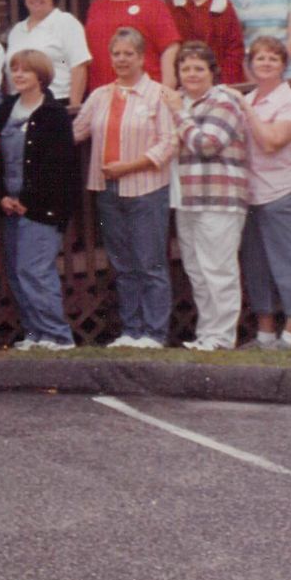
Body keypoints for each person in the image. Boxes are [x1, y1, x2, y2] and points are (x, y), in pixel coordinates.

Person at [73, 28, 178, 348]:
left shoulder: (158, 94)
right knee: (122, 265)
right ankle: (131, 331)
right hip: (108, 190)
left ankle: (154, 333)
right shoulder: (101, 95)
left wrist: (130, 166)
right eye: (116, 53)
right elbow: (76, 132)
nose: (121, 59)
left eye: (128, 53)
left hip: (146, 188)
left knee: (151, 263)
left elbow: (169, 143)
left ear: (142, 57)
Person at [0, 51, 78, 350]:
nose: (18, 75)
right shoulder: (3, 111)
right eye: (14, 70)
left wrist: (28, 199)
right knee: (16, 271)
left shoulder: (53, 114)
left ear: (40, 76)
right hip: (9, 205)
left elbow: (58, 164)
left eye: (25, 71)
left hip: (41, 207)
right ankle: (35, 334)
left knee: (35, 270)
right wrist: (1, 195)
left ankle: (57, 336)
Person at [168, 41, 250, 351]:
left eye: (198, 68)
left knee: (218, 268)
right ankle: (207, 334)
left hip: (219, 197)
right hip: (186, 198)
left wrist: (179, 116)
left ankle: (222, 337)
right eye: (185, 68)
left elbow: (207, 143)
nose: (191, 74)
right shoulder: (182, 104)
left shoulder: (223, 102)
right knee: (197, 270)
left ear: (212, 72)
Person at [239, 36, 291, 350]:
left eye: (272, 58)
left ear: (283, 65)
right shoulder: (249, 98)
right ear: (251, 64)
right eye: (259, 58)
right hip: (249, 194)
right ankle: (266, 335)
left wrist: (247, 110)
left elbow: (271, 142)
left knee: (287, 262)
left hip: (281, 192)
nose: (265, 63)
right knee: (256, 265)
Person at [84, 0, 182, 89]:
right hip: (104, 90)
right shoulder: (97, 7)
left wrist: (167, 87)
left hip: (145, 91)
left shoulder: (152, 4)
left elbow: (170, 47)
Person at [4, 0, 91, 107]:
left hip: (57, 101)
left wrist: (74, 106)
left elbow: (78, 66)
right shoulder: (17, 30)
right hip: (22, 103)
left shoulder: (65, 22)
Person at [171, 0, 247, 85]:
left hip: (221, 81)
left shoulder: (223, 6)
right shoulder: (173, 8)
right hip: (186, 81)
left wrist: (222, 82)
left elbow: (235, 49)